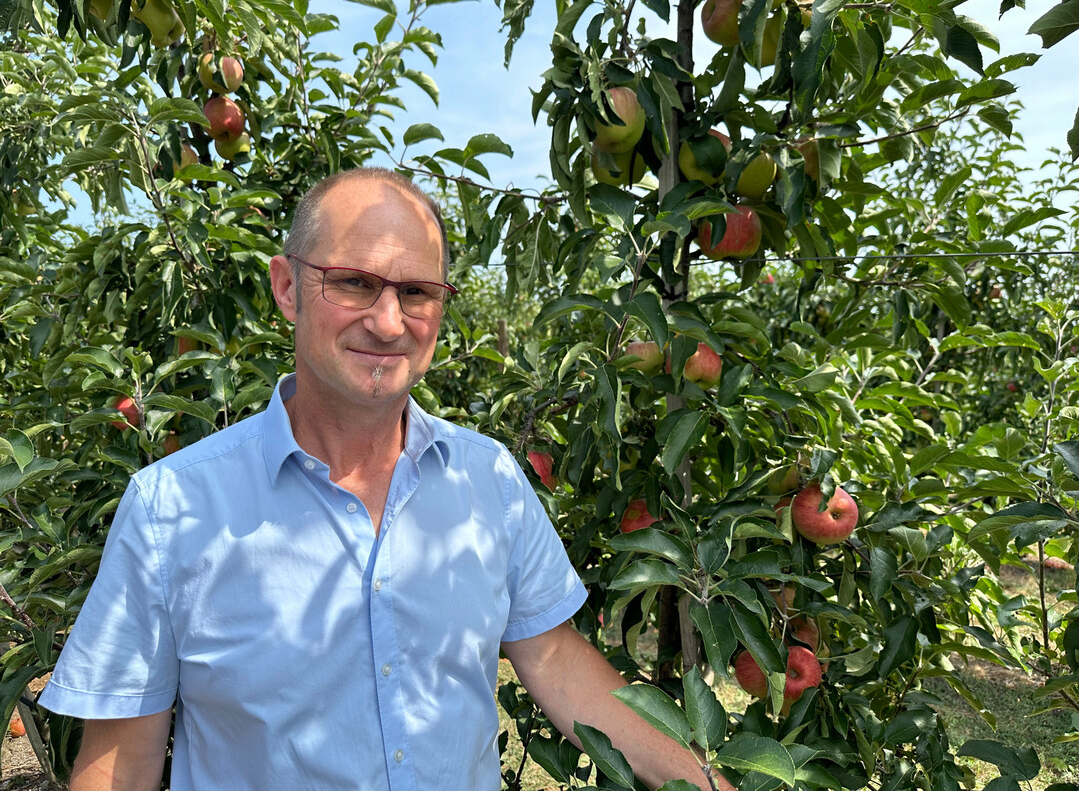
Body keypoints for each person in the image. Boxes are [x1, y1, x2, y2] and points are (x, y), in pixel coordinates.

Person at [39, 168, 725, 791]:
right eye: (354, 282)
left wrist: (701, 781)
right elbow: (122, 763)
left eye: (417, 292)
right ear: (286, 287)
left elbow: (553, 658)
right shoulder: (173, 510)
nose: (388, 321)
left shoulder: (488, 480)